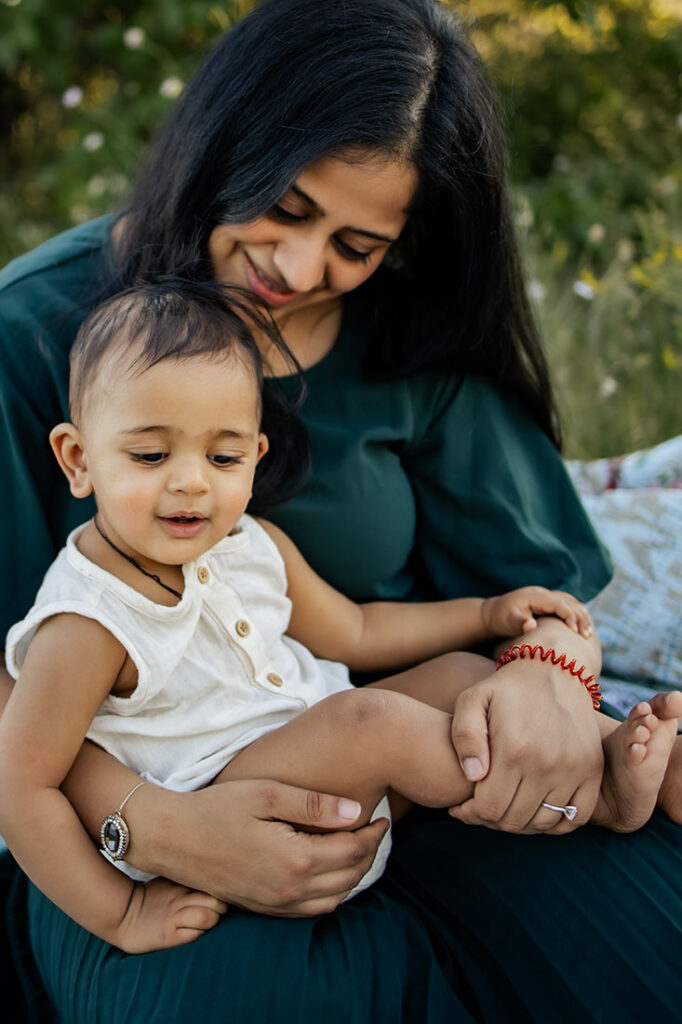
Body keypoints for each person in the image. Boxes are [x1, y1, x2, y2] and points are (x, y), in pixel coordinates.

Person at [0, 0, 679, 1020]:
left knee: (646, 953)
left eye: (357, 244)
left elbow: (523, 600)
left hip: (417, 770)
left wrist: (550, 673)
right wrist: (149, 827)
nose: (302, 267)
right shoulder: (35, 334)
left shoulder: (411, 333)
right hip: (153, 795)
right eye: (286, 204)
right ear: (229, 139)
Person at [4, 280, 678, 957]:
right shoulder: (89, 622)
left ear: (256, 457)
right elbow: (22, 785)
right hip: (226, 812)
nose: (192, 482)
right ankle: (593, 796)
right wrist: (122, 912)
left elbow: (355, 629)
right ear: (78, 459)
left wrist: (481, 613)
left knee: (463, 676)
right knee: (372, 721)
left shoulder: (249, 544)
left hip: (331, 769)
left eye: (224, 456)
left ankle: (620, 753)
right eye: (151, 455)